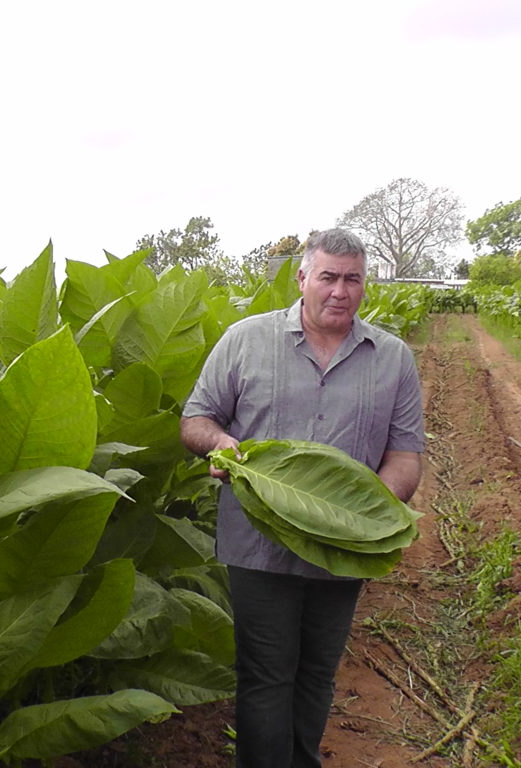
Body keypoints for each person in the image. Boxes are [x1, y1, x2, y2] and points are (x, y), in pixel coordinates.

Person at [180, 228, 425, 768]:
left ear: (365, 285)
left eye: (352, 279)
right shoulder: (246, 339)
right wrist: (221, 446)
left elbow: (406, 454)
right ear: (303, 278)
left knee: (316, 672)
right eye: (329, 277)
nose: (340, 290)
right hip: (257, 540)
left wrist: (365, 516)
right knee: (267, 675)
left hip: (344, 549)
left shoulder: (392, 358)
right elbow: (196, 419)